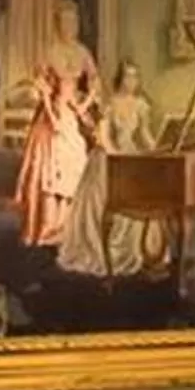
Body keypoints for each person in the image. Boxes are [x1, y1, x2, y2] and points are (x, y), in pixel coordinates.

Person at [58, 60, 164, 278]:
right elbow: (104, 139)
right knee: (107, 194)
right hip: (109, 156)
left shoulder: (141, 105)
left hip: (130, 154)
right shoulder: (110, 104)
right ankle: (107, 253)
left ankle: (147, 251)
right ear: (120, 79)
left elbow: (144, 136)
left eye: (135, 76)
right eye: (128, 76)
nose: (132, 81)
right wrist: (119, 158)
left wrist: (159, 148)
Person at [15, 0, 100, 247]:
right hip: (53, 116)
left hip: (73, 115)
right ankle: (49, 228)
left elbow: (95, 81)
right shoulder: (50, 51)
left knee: (77, 164)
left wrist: (83, 106)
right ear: (58, 25)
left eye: (73, 22)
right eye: (65, 22)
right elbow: (41, 87)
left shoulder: (83, 52)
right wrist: (53, 117)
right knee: (52, 168)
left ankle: (71, 227)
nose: (69, 26)